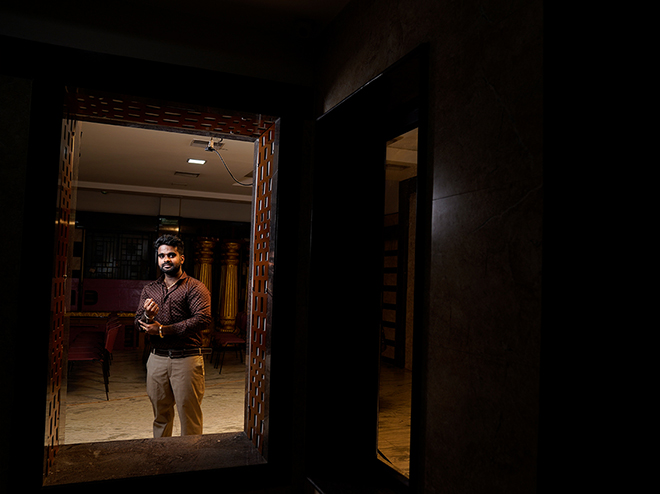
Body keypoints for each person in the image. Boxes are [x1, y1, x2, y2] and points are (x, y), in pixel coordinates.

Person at [135, 234, 212, 437]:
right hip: (156, 359)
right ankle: (162, 455)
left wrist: (163, 330)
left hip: (186, 358)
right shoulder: (150, 289)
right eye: (162, 256)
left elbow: (203, 319)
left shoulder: (195, 287)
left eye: (171, 255)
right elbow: (137, 323)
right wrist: (148, 316)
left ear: (181, 258)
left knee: (189, 416)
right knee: (160, 416)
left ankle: (190, 456)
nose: (166, 260)